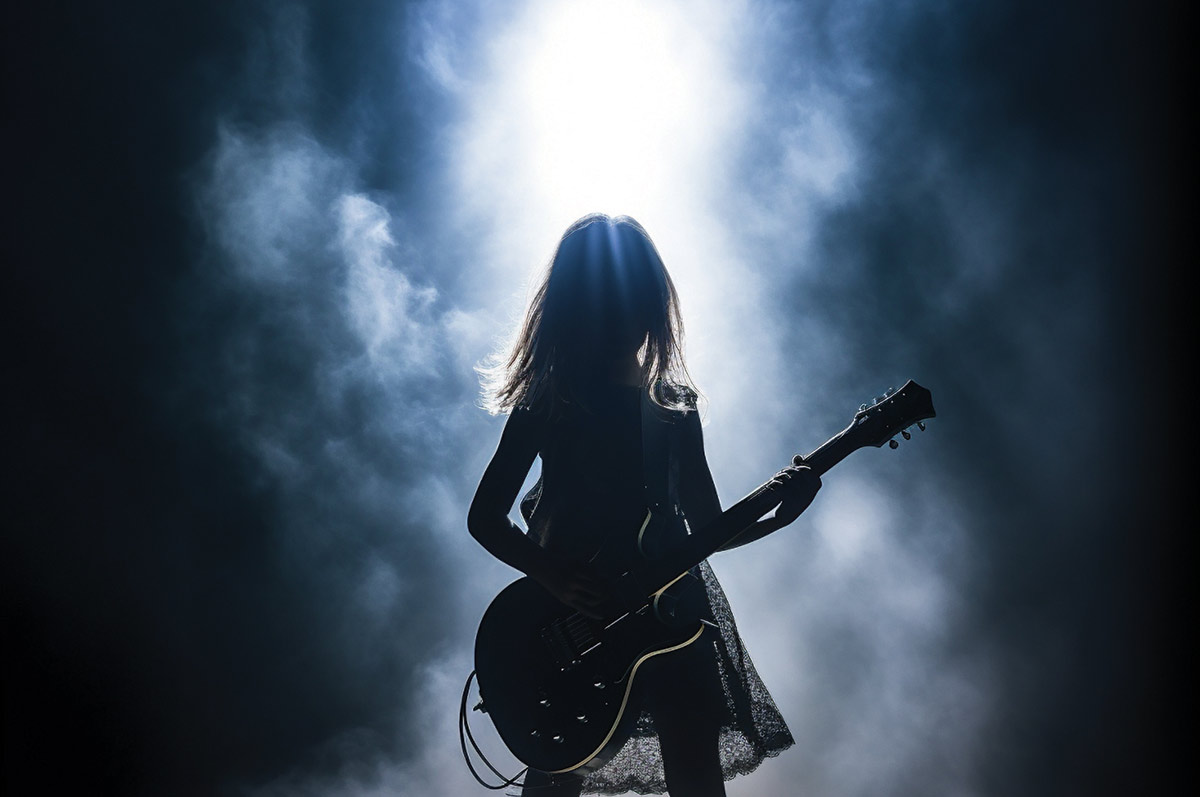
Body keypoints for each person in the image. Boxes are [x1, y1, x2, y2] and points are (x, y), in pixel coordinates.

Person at [468, 213, 821, 796]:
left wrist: (781, 516)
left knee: (697, 778)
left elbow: (708, 528)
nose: (624, 316)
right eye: (608, 302)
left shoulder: (675, 408)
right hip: (571, 631)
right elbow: (485, 517)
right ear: (576, 308)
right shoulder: (547, 400)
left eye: (635, 300)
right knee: (556, 783)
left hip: (672, 619)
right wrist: (552, 574)